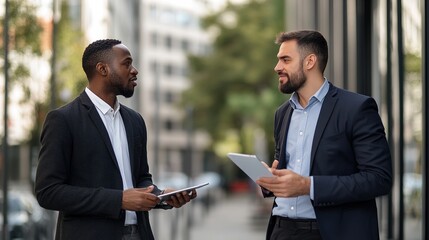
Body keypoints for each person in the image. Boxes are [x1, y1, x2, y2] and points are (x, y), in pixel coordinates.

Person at [35, 39, 197, 240]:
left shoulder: (135, 121)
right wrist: (118, 200)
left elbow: (141, 179)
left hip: (139, 234)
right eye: (127, 63)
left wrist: (162, 196)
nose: (134, 70)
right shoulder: (63, 120)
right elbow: (48, 192)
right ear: (103, 69)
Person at [256, 30, 392, 240]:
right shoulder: (282, 114)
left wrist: (308, 186)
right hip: (281, 231)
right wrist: (271, 181)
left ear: (310, 61)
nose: (277, 67)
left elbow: (378, 179)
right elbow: (287, 174)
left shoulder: (356, 108)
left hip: (331, 233)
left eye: (285, 59)